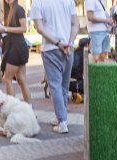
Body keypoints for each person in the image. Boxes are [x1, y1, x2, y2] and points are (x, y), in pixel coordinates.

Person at [31, 0, 79, 133]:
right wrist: (69, 42)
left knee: (55, 86)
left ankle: (62, 121)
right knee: (64, 86)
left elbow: (39, 28)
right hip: (68, 48)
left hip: (51, 49)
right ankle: (61, 117)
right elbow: (75, 24)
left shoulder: (38, 3)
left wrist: (58, 43)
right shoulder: (69, 1)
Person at [0, 0, 31, 104]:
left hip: (17, 48)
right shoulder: (8, 10)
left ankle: (13, 109)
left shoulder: (19, 9)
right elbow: (10, 34)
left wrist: (4, 28)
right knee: (21, 79)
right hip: (15, 46)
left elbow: (24, 28)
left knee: (7, 78)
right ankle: (29, 110)